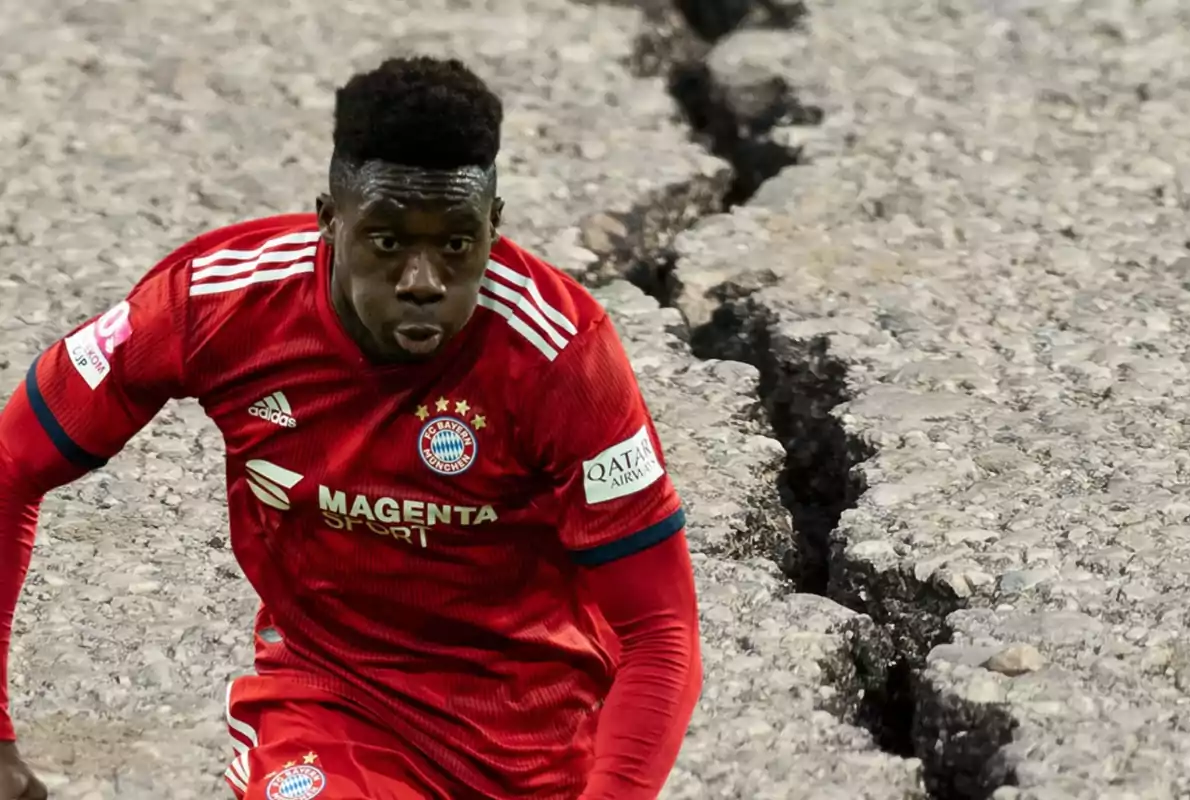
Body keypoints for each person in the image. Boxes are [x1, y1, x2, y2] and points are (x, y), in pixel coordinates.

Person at [0, 56, 702, 800]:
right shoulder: (215, 304)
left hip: (534, 745)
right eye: (388, 241)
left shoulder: (561, 357)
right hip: (333, 703)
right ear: (330, 222)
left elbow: (661, 633)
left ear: (493, 228)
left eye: (457, 244)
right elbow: (11, 463)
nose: (424, 281)